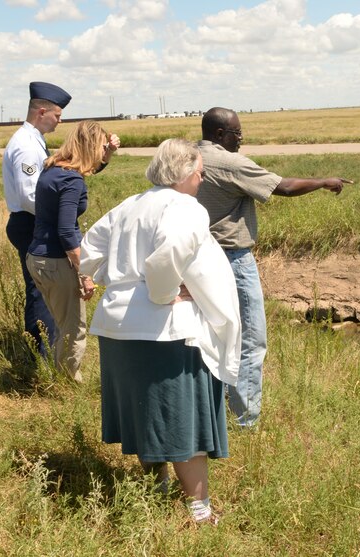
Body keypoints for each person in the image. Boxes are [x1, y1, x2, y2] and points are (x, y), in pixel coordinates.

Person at [80, 138, 242, 525]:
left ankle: (158, 489)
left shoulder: (130, 204)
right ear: (185, 172)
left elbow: (88, 251)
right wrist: (163, 291)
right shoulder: (185, 206)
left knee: (146, 412)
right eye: (201, 173)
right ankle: (200, 512)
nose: (202, 181)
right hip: (164, 331)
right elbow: (168, 255)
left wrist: (116, 279)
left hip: (118, 328)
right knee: (181, 416)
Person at [196, 106, 352, 427]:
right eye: (237, 134)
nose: (241, 140)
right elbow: (283, 187)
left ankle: (209, 414)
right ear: (220, 135)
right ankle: (244, 420)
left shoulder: (187, 157)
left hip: (194, 259)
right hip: (231, 259)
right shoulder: (230, 162)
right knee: (249, 339)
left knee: (210, 338)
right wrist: (323, 181)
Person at [25, 120, 119, 382]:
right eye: (102, 147)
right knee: (73, 329)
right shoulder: (72, 180)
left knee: (60, 323)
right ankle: (66, 384)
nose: (104, 152)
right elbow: (66, 232)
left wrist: (109, 152)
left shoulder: (53, 168)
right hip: (57, 262)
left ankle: (59, 374)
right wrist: (85, 272)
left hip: (37, 258)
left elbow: (92, 166)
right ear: (90, 146)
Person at [3, 81, 71, 355]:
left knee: (40, 286)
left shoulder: (32, 140)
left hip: (31, 221)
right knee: (39, 288)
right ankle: (42, 353)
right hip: (31, 222)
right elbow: (30, 195)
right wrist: (59, 218)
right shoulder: (27, 146)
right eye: (57, 115)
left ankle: (42, 348)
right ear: (41, 112)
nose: (59, 121)